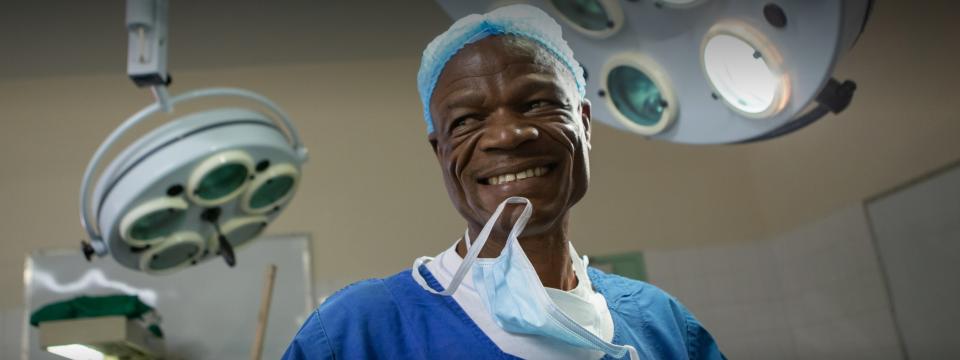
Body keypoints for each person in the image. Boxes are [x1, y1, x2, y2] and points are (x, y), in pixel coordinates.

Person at [283, 5, 724, 359]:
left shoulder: (664, 328)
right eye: (468, 120)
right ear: (441, 152)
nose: (506, 135)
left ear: (584, 125)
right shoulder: (360, 334)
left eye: (535, 104)